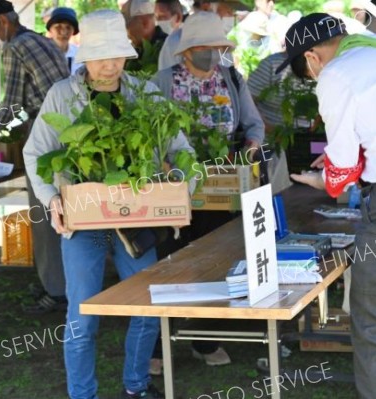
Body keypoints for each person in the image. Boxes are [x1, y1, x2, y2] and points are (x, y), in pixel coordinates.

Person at [23, 9, 195, 399]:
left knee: (146, 305)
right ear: (85, 56)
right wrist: (52, 200)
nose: (110, 65)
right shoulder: (62, 95)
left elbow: (180, 149)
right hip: (84, 219)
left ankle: (136, 385)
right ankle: (82, 394)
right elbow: (37, 155)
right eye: (101, 57)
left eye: (117, 55)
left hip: (136, 218)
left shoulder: (145, 93)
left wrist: (180, 189)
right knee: (82, 314)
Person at [279, 13, 376, 399]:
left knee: (374, 328)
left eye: (306, 71)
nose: (312, 78)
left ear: (313, 56)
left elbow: (341, 177)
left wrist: (324, 178)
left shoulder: (337, 74)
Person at [152, 10, 265, 371]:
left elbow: (254, 125)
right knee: (168, 262)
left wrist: (250, 145)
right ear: (185, 51)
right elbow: (152, 134)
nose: (211, 55)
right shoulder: (161, 83)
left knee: (214, 261)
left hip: (220, 186)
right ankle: (156, 346)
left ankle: (204, 339)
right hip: (173, 188)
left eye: (216, 47)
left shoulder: (232, 79)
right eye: (203, 48)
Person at [0, 0, 70, 314]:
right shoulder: (42, 39)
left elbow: (13, 103)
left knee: (44, 212)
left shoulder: (16, 46)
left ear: (2, 22)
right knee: (65, 207)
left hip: (47, 137)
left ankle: (56, 292)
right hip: (68, 133)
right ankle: (62, 282)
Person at [122, 0, 168, 73]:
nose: (126, 32)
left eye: (127, 26)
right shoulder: (135, 50)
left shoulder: (166, 48)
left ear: (145, 23)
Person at [46, 7, 83, 75]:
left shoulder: (80, 55)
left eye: (68, 27)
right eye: (58, 27)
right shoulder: (42, 54)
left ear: (73, 31)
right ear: (50, 29)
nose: (63, 32)